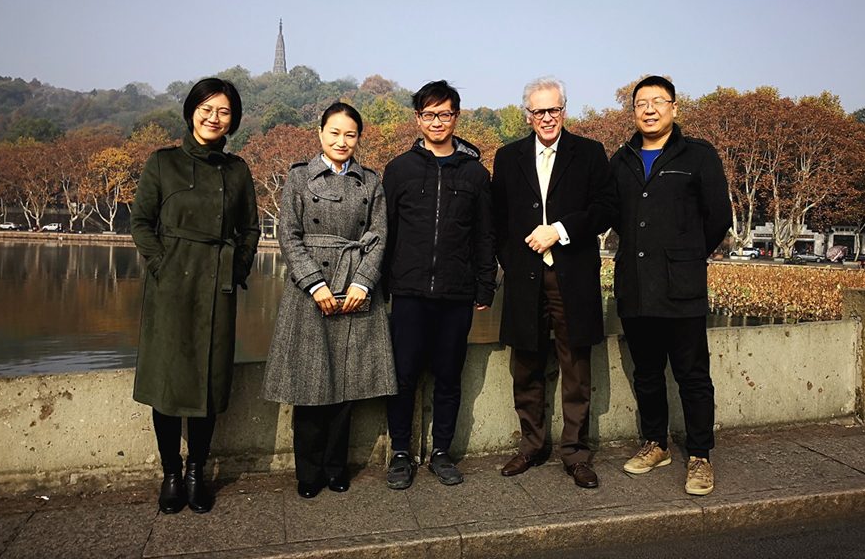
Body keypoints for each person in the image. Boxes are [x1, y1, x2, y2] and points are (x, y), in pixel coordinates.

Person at [131, 77, 260, 514]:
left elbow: (250, 229)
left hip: (217, 286)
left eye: (223, 111)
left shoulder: (237, 170)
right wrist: (161, 265)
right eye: (207, 109)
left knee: (209, 383)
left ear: (233, 121)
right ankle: (170, 473)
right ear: (191, 112)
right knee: (166, 382)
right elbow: (141, 222)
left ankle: (195, 471)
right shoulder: (162, 162)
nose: (214, 118)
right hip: (170, 288)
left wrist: (236, 269)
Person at [261, 103, 396, 499]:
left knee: (346, 385)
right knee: (310, 384)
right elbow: (289, 236)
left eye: (350, 134)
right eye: (334, 132)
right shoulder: (299, 177)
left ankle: (337, 467)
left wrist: (363, 283)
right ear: (320, 133)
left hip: (354, 287)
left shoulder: (370, 182)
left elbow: (379, 237)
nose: (341, 141)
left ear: (358, 138)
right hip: (309, 292)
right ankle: (308, 471)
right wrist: (314, 283)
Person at [492, 77, 616, 489]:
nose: (547, 118)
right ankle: (531, 445)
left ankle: (575, 452)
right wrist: (511, 262)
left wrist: (560, 230)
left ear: (565, 110)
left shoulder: (589, 153)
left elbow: (605, 208)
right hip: (525, 277)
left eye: (554, 109)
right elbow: (498, 219)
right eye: (539, 111)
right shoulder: (507, 157)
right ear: (527, 115)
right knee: (525, 363)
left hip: (572, 276)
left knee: (576, 365)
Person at [610, 75, 732, 496]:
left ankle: (699, 455)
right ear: (633, 111)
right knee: (646, 372)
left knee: (692, 374)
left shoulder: (698, 155)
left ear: (674, 108)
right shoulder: (622, 159)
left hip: (681, 287)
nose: (649, 110)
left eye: (658, 101)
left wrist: (687, 256)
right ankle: (656, 443)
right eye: (641, 103)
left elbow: (718, 217)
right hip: (635, 285)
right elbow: (610, 213)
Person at [382, 80, 497, 489]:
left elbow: (485, 234)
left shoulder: (475, 173)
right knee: (402, 376)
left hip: (456, 293)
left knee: (449, 377)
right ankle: (400, 453)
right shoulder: (399, 169)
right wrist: (381, 286)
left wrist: (485, 285)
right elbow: (387, 232)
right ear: (418, 119)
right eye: (429, 114)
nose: (437, 122)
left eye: (444, 114)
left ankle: (442, 452)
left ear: (456, 117)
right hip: (408, 292)